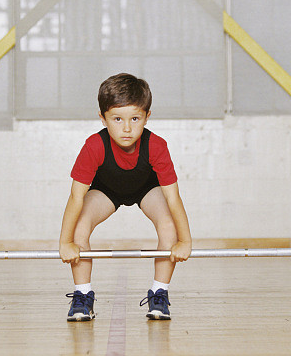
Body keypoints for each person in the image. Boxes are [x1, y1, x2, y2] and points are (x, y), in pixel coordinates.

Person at [59, 73, 192, 321]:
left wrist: (185, 241)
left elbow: (173, 198)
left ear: (147, 116)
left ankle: (159, 294)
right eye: (118, 119)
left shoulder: (157, 145)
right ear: (103, 118)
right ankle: (82, 296)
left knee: (168, 226)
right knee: (79, 226)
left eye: (135, 118)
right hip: (106, 190)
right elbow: (76, 197)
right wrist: (65, 242)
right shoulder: (94, 146)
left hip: (146, 188)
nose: (127, 128)